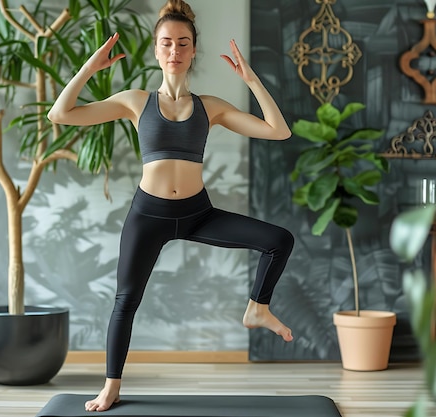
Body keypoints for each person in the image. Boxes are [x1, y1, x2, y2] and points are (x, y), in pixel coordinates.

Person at [48, 0, 294, 412]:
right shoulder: (134, 101)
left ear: (194, 50)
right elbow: (61, 113)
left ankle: (257, 308)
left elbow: (278, 130)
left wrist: (251, 79)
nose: (175, 51)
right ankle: (111, 387)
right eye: (167, 44)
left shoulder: (209, 107)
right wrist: (90, 69)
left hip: (199, 214)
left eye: (183, 43)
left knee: (279, 240)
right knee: (125, 301)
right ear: (156, 50)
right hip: (149, 216)